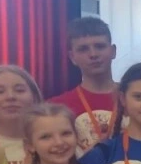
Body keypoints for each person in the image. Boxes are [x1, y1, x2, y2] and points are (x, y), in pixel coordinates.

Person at [48, 16, 122, 155]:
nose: (93, 54)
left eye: (99, 46)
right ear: (72, 57)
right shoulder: (56, 107)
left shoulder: (137, 99)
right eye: (83, 49)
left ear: (113, 51)